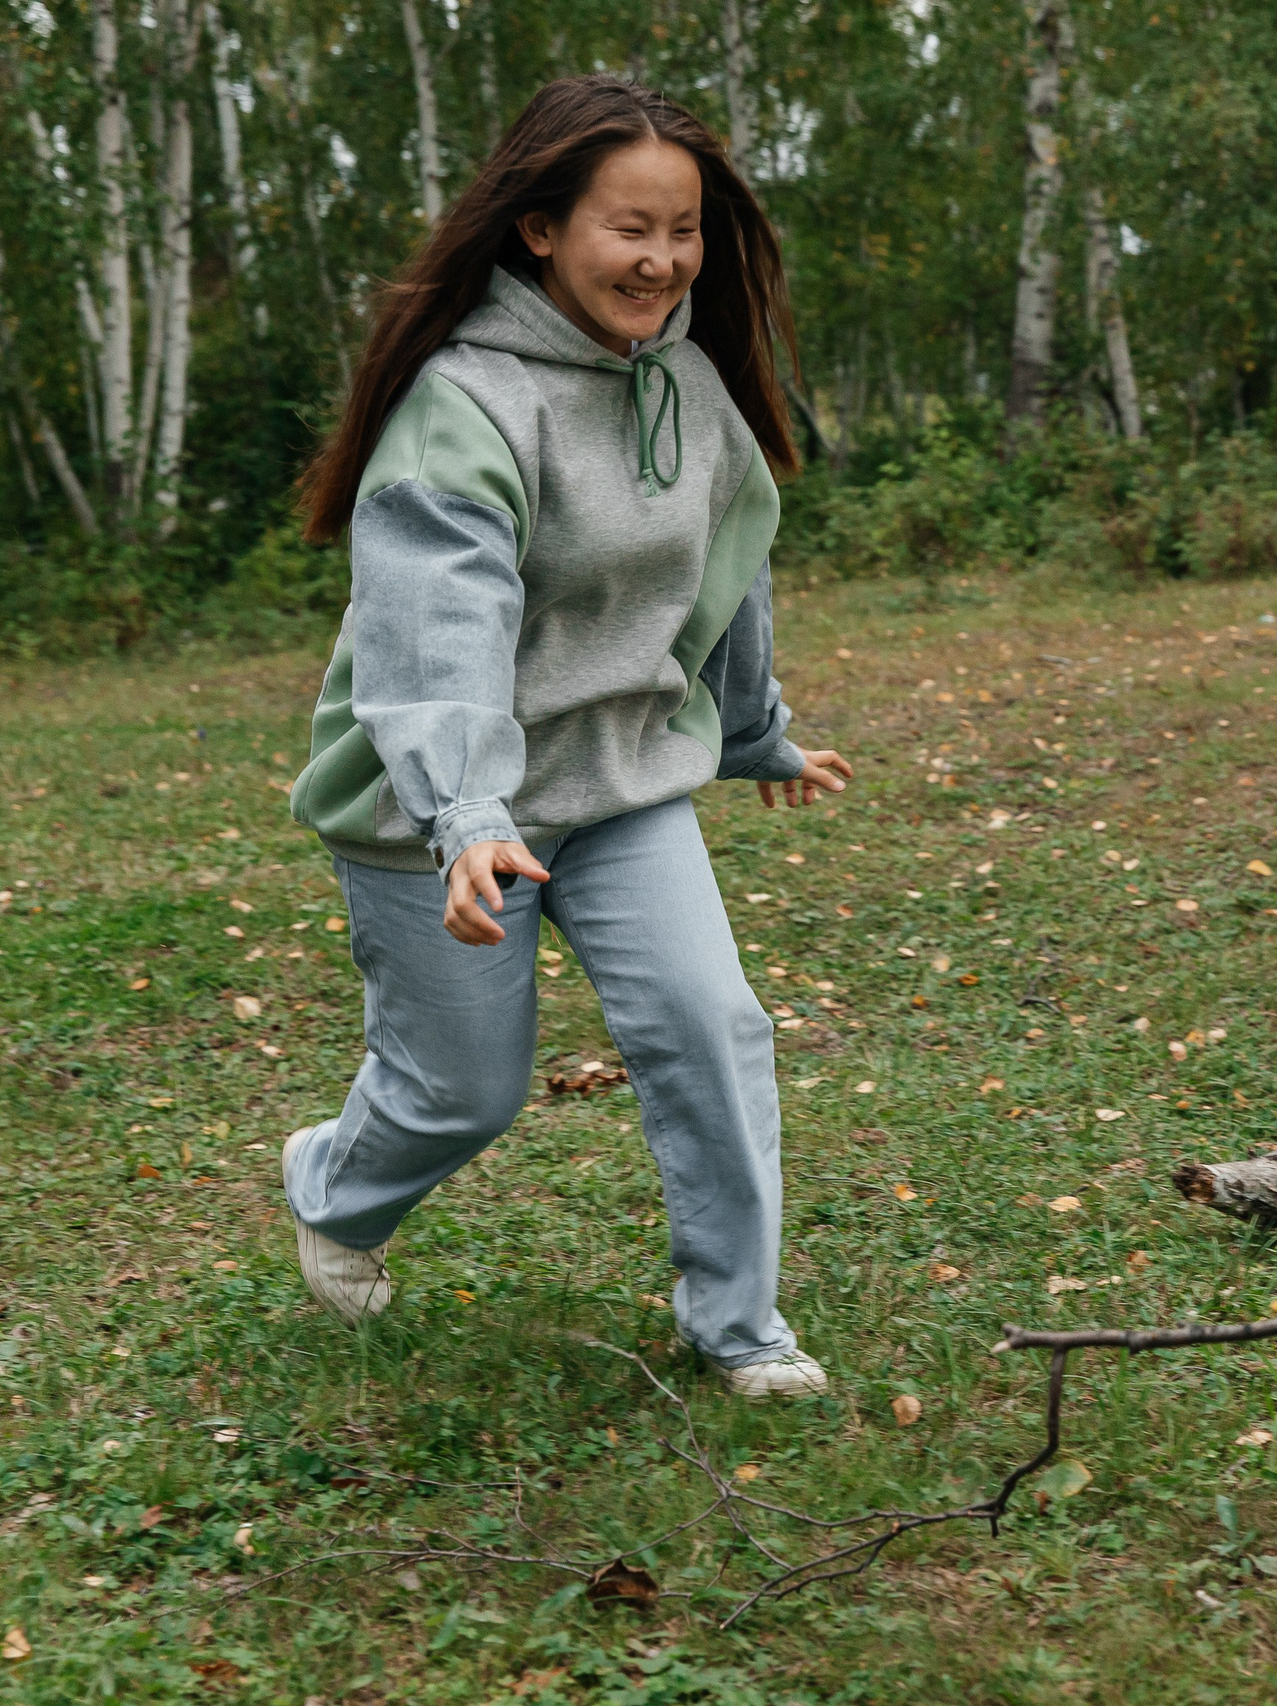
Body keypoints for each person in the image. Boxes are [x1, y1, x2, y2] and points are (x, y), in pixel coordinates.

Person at [277, 76, 852, 1400]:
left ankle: (739, 1329)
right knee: (463, 1093)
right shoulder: (464, 407)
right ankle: (335, 1183)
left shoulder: (690, 386)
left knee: (714, 1022)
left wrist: (758, 733)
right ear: (540, 228)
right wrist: (468, 816)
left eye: (684, 230)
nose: (662, 260)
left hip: (616, 786)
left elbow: (725, 569)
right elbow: (442, 633)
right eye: (627, 228)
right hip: (434, 813)